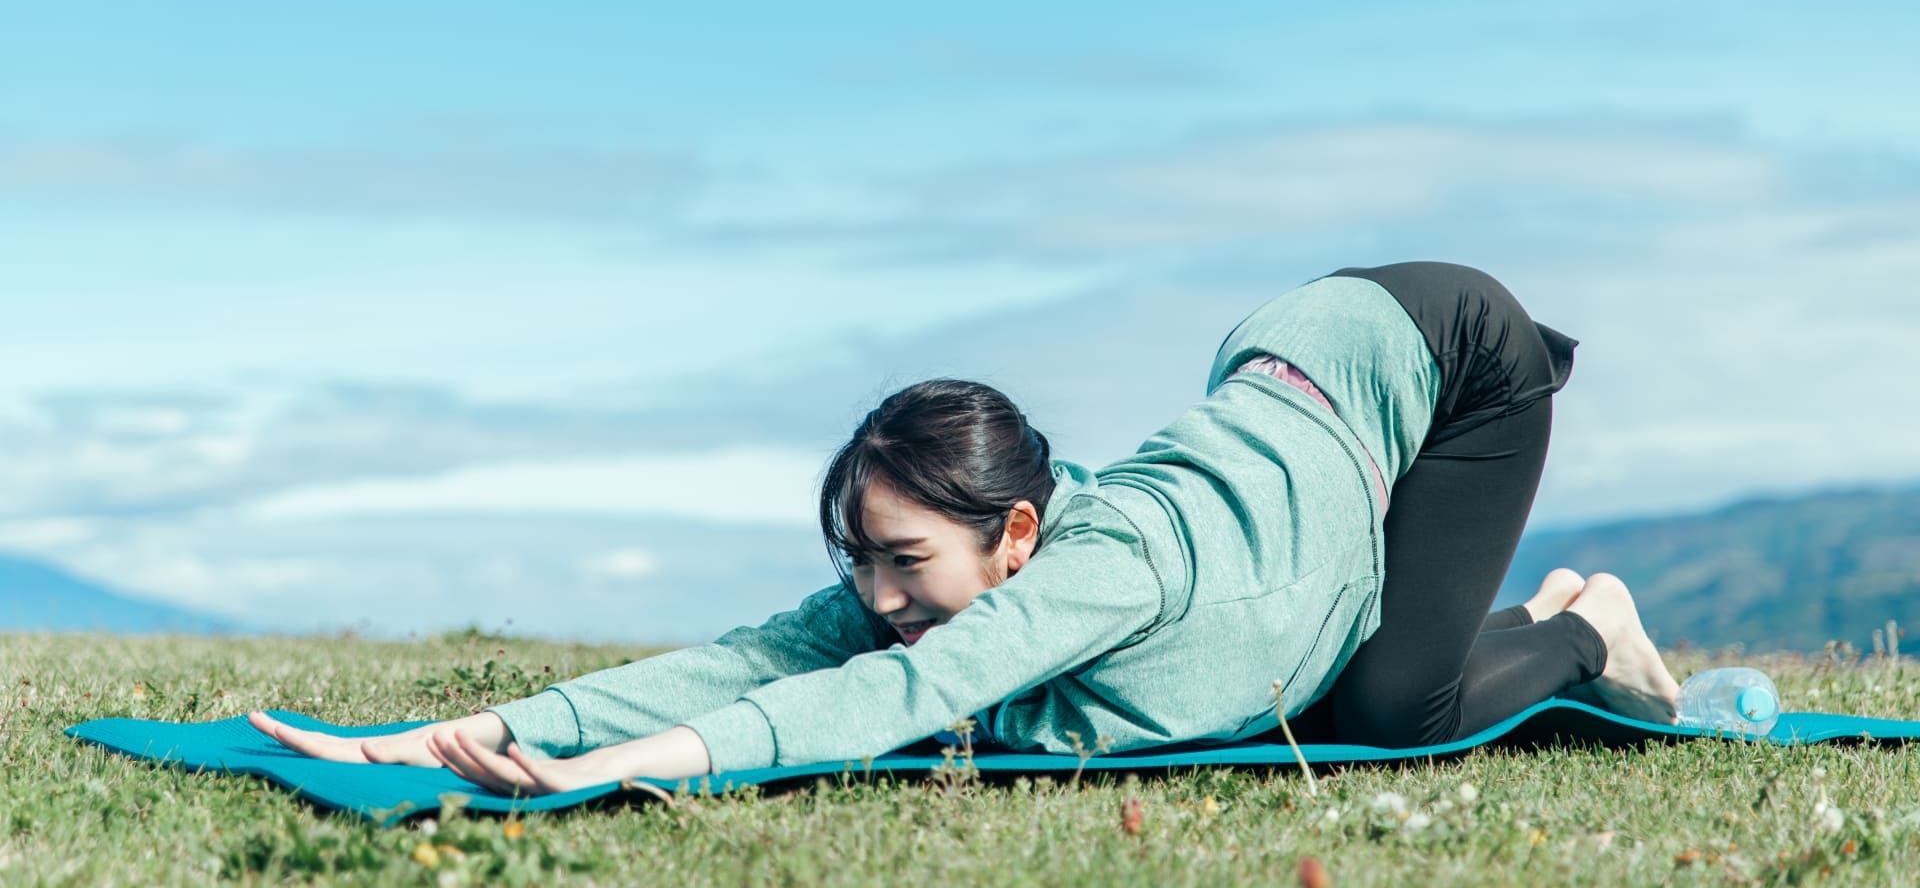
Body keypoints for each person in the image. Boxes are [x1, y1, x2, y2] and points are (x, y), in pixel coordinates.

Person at [251, 262, 1681, 796]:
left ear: (1015, 536)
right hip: (1286, 359)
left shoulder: (1089, 573)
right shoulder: (939, 578)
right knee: (1367, 672)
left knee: (1394, 704)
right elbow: (744, 661)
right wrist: (458, 732)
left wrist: (613, 778)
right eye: (862, 561)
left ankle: (1578, 623)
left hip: (1446, 361)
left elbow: (904, 696)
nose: (879, 598)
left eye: (905, 561)